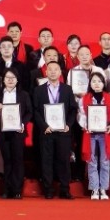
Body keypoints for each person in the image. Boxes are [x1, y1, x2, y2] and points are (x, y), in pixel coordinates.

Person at [33, 59, 75, 200]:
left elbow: (73, 110)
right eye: (50, 69)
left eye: (55, 69)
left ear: (60, 72)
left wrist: (68, 124)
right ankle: (48, 189)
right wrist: (44, 126)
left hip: (63, 132)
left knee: (64, 161)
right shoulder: (39, 90)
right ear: (46, 72)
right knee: (47, 161)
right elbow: (35, 111)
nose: (52, 72)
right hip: (47, 131)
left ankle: (65, 189)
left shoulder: (67, 89)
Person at [78, 70, 110, 199]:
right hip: (90, 134)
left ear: (104, 83)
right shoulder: (84, 99)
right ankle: (94, 189)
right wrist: (85, 125)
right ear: (90, 83)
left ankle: (103, 189)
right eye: (94, 81)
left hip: (105, 134)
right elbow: (81, 115)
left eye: (99, 81)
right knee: (91, 161)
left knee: (105, 161)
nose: (96, 84)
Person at [0, 68, 31, 200]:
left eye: (13, 78)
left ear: (17, 80)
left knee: (17, 160)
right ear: (3, 80)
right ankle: (6, 189)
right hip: (3, 132)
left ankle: (17, 190)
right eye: (7, 78)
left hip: (17, 132)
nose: (10, 80)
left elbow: (29, 112)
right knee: (7, 160)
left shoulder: (24, 95)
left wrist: (22, 124)